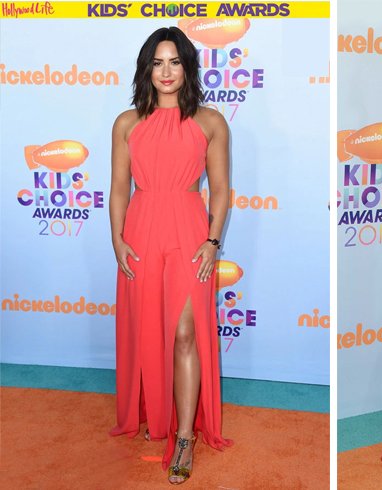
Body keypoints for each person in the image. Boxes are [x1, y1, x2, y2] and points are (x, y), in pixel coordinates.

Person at [109, 26, 232, 485]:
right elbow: (119, 188)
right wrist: (117, 239)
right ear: (146, 69)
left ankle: (183, 436)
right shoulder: (127, 123)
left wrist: (212, 241)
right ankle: (157, 416)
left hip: (188, 231)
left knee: (184, 333)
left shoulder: (210, 122)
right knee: (149, 330)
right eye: (157, 63)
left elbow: (220, 189)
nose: (166, 72)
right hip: (141, 230)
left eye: (175, 62)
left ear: (187, 68)